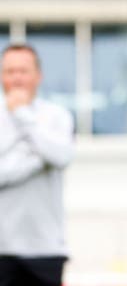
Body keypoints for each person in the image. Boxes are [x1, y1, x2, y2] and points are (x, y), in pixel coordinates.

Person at [0, 44, 74, 286]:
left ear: (38, 76)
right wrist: (39, 156)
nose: (17, 77)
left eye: (23, 70)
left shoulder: (57, 116)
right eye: (10, 71)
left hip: (46, 250)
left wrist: (21, 114)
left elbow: (61, 157)